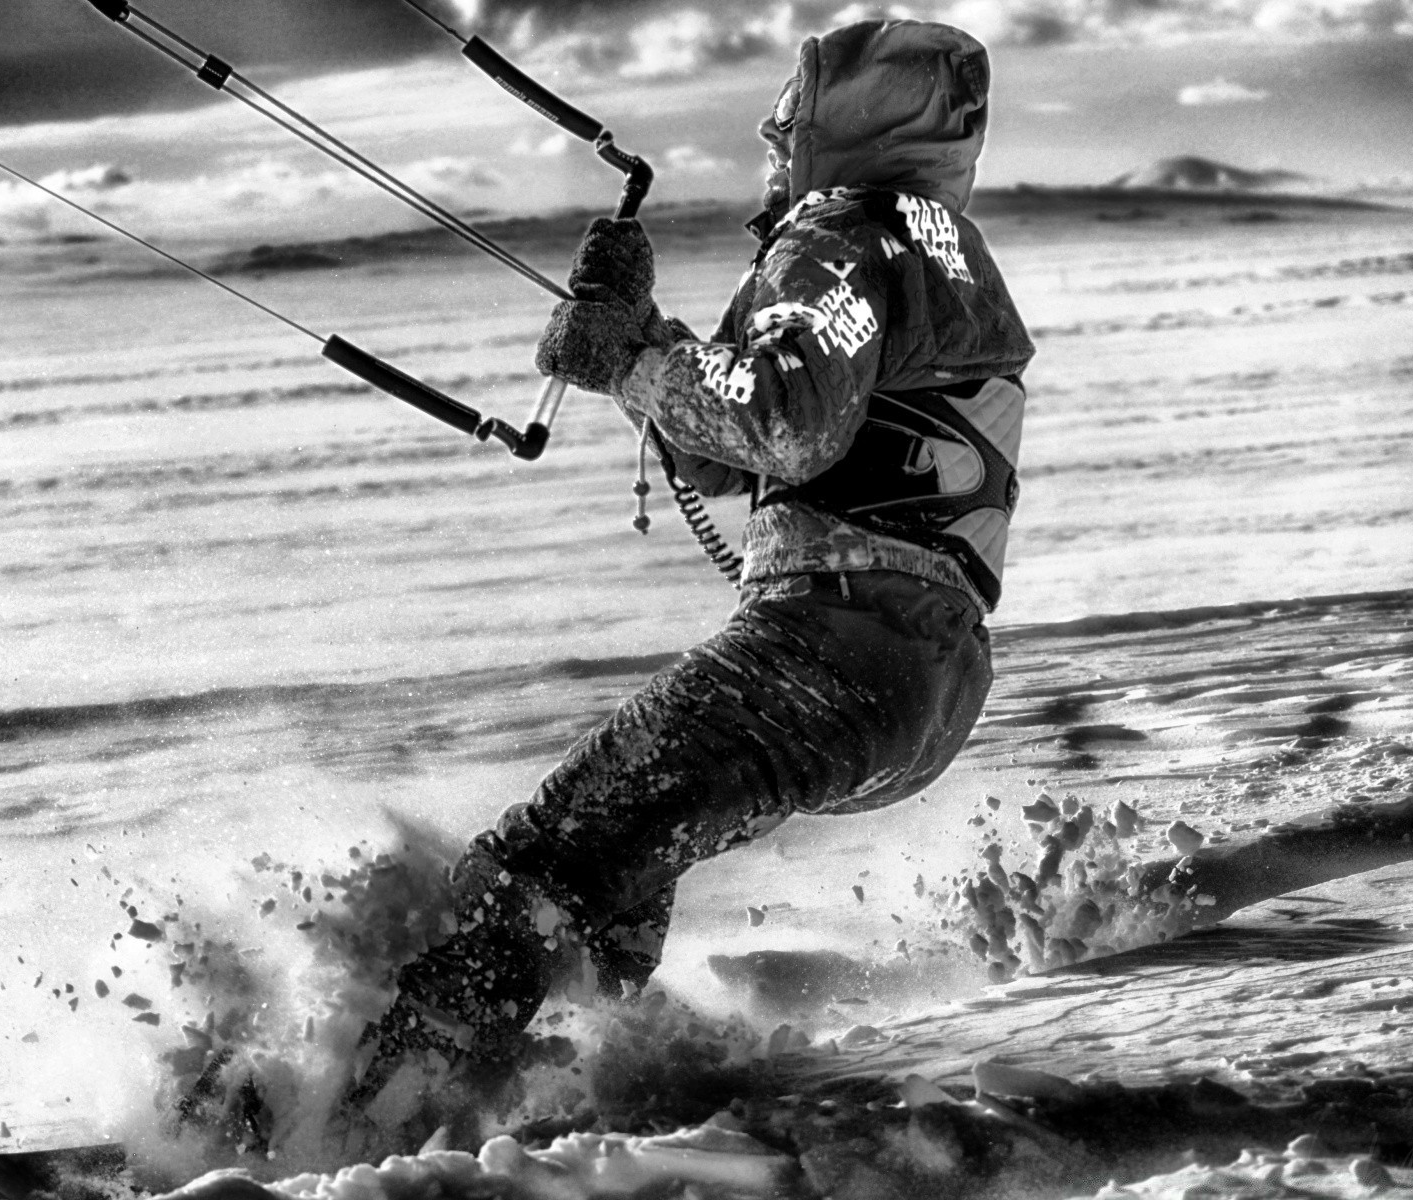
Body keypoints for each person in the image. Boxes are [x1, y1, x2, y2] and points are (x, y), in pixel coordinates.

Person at [354, 17, 1035, 1102]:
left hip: (833, 647)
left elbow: (781, 424)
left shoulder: (839, 236)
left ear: (842, 128)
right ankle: (577, 1086)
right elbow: (746, 451)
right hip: (926, 682)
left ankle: (367, 1109)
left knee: (535, 866)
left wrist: (627, 356)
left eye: (788, 119)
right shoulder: (936, 245)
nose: (771, 139)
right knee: (616, 873)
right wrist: (641, 336)